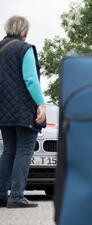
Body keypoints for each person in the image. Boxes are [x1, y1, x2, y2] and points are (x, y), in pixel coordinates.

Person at [0, 16, 46, 208]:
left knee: (9, 150)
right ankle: (17, 195)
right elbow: (30, 80)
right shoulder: (25, 48)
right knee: (24, 150)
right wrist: (41, 104)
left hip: (3, 110)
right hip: (23, 110)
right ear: (25, 32)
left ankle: (2, 195)